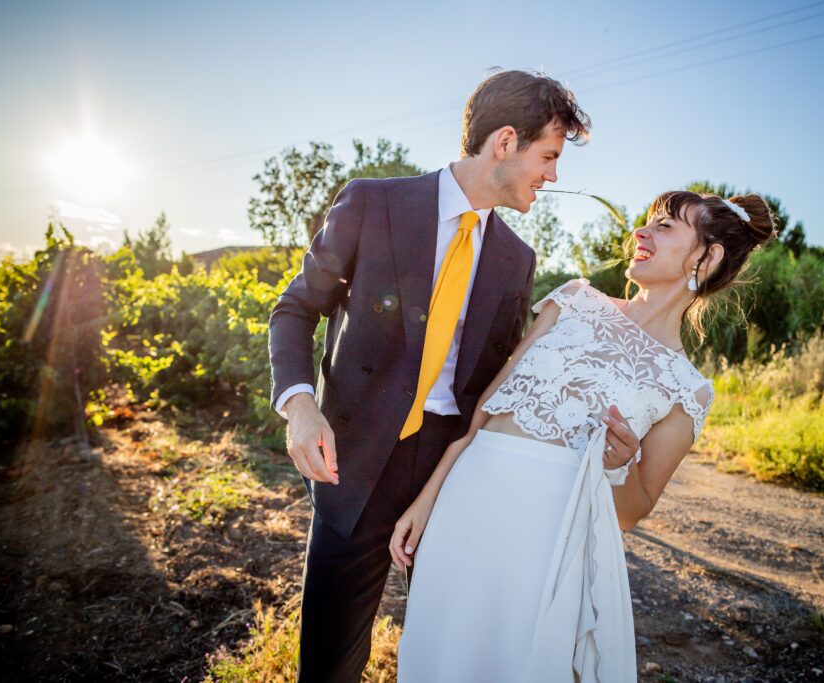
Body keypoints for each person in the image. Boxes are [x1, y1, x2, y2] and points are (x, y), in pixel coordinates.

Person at [267, 69, 599, 682]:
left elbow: (504, 378)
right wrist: (299, 405)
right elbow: (294, 308)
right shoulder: (373, 203)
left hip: (453, 473)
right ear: (504, 142)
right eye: (548, 156)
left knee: (451, 649)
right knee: (331, 659)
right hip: (356, 459)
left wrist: (590, 429)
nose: (551, 176)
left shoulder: (517, 258)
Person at [391, 190, 777, 682]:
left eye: (665, 227)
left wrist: (623, 465)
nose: (641, 232)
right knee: (437, 656)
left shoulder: (688, 390)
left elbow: (634, 512)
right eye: (646, 222)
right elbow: (483, 413)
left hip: (550, 542)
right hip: (466, 505)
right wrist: (426, 501)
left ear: (707, 255)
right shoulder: (573, 300)